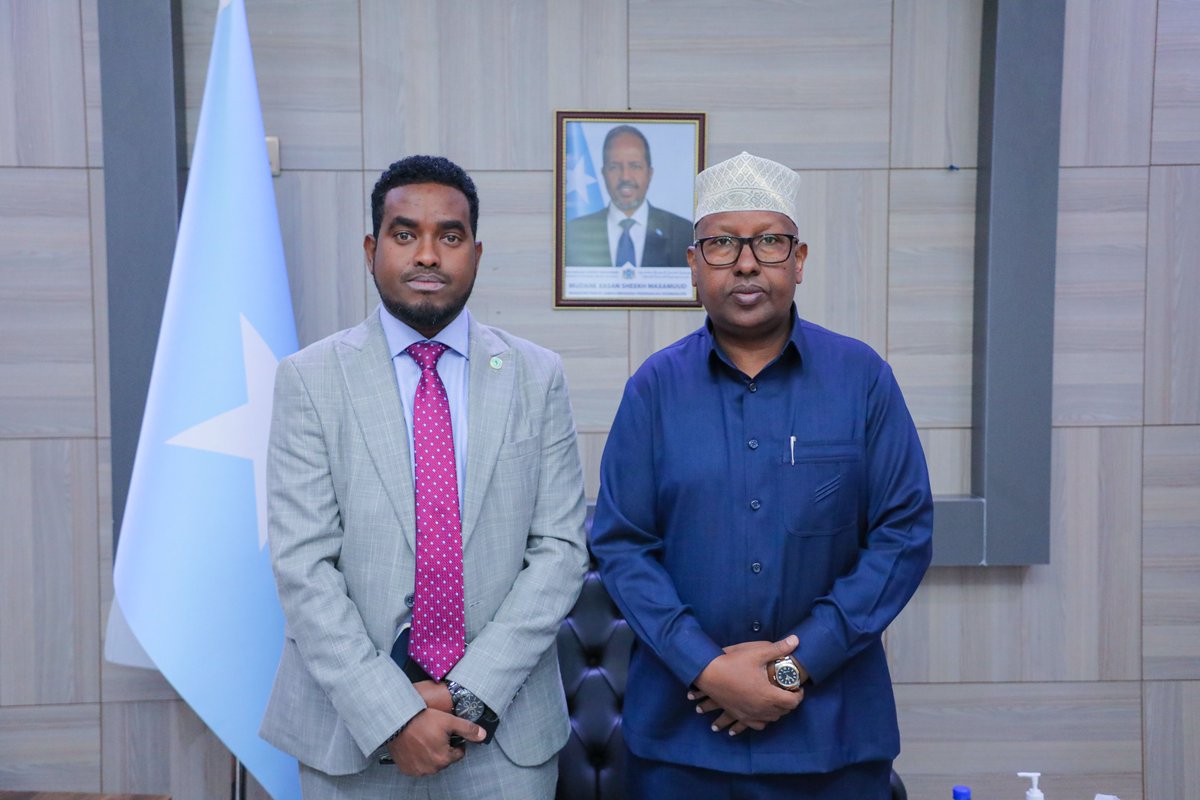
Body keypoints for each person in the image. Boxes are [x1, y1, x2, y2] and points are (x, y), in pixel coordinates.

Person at [590, 151, 933, 799]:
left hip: (830, 743)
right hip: (682, 746)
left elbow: (904, 534)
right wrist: (708, 667)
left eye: (768, 242)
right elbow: (622, 545)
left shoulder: (861, 379)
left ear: (798, 261)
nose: (746, 262)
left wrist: (794, 669)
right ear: (694, 265)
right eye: (721, 244)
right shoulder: (654, 390)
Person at [260, 155, 589, 799]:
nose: (428, 255)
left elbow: (559, 552)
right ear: (371, 248)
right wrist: (393, 713)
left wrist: (466, 694)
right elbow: (303, 564)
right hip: (350, 735)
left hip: (505, 735)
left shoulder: (537, 375)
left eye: (450, 235)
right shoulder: (310, 378)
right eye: (404, 233)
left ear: (476, 251)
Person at [564, 124, 694, 267]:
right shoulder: (575, 233)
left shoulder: (683, 233)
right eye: (614, 167)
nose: (625, 177)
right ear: (604, 173)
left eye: (635, 166)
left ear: (649, 173)